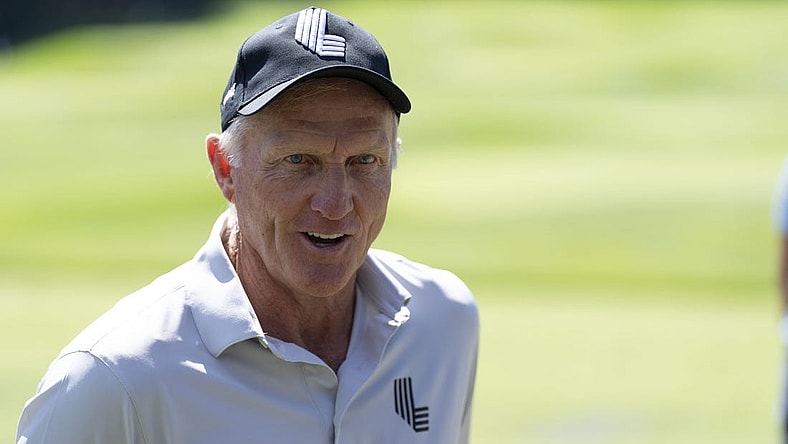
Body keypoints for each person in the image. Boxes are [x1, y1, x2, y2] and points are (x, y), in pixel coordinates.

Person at [16, 6, 479, 444]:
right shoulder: (112, 378)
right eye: (298, 160)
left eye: (365, 160)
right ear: (225, 169)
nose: (336, 204)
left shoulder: (443, 322)